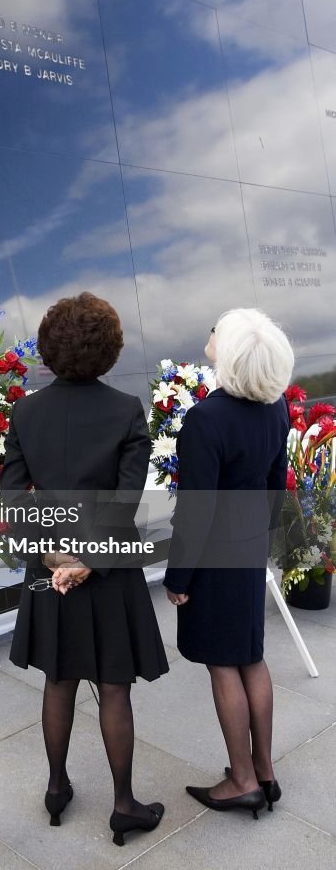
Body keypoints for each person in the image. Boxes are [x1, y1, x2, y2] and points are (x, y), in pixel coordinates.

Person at [1, 292, 169, 846]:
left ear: (49, 349)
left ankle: (56, 789)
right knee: (113, 689)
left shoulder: (25, 412)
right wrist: (87, 562)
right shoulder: (126, 411)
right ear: (109, 349)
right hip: (109, 571)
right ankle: (123, 806)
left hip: (49, 571)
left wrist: (52, 558)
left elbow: (12, 501)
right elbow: (123, 508)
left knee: (58, 679)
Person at [164, 308, 293, 820]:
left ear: (232, 350)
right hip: (247, 546)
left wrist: (178, 578)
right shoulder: (276, 407)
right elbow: (275, 488)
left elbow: (196, 510)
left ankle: (240, 781)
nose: (210, 334)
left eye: (216, 329)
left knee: (224, 663)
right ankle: (264, 772)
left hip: (214, 556)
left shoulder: (206, 418)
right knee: (251, 657)